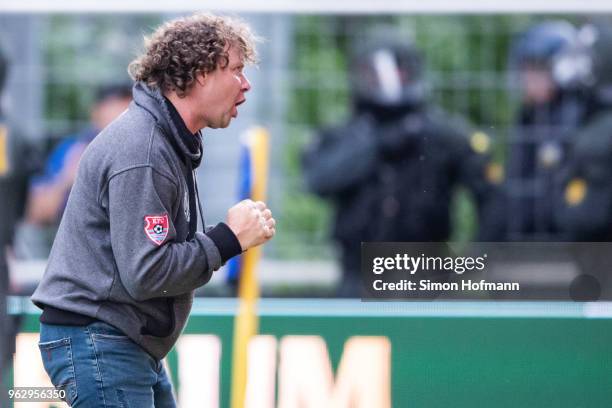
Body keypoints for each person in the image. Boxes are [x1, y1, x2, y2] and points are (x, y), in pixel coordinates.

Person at [30, 13, 275, 407]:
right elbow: (146, 273)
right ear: (200, 74)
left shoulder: (164, 138)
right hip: (100, 342)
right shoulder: (144, 150)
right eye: (235, 70)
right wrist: (227, 240)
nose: (245, 85)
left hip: (117, 341)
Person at [302, 34, 500, 297]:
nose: (386, 80)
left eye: (396, 71)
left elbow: (491, 196)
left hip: (426, 273)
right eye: (374, 72)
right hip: (358, 275)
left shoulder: (441, 135)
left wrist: (473, 260)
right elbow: (318, 180)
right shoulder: (346, 135)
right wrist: (377, 146)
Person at [504, 21, 588, 240]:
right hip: (526, 238)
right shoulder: (528, 116)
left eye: (537, 69)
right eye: (526, 69)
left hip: (567, 240)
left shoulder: (579, 118)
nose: (528, 79)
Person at [26, 84, 132, 227]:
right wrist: (67, 179)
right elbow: (38, 213)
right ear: (95, 113)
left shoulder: (144, 152)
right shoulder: (73, 150)